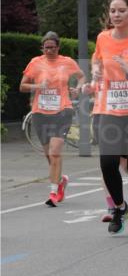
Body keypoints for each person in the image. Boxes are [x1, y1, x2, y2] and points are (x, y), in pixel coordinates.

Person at [87, 0, 128, 235]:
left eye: (121, 11)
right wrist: (95, 70)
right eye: (113, 11)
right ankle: (119, 206)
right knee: (107, 163)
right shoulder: (103, 38)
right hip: (109, 109)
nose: (116, 15)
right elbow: (97, 60)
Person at [20, 32, 85, 206]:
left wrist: (78, 88)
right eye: (46, 47)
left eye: (52, 47)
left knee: (56, 151)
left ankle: (53, 192)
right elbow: (22, 86)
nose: (49, 50)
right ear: (42, 48)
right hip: (40, 113)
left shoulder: (67, 62)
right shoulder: (35, 63)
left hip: (62, 111)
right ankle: (60, 180)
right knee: (50, 155)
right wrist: (38, 85)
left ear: (58, 47)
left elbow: (81, 77)